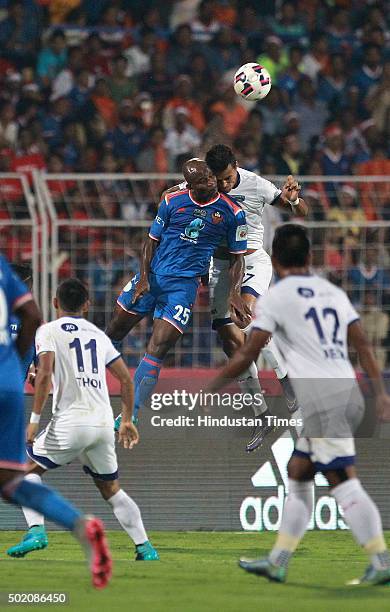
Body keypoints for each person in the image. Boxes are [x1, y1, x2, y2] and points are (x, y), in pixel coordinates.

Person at [207, 224, 390, 586]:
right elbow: (363, 346)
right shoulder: (331, 292)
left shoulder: (276, 297)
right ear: (309, 257)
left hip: (322, 401)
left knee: (343, 482)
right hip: (345, 391)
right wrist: (381, 393)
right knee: (298, 472)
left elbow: (249, 350)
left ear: (274, 259)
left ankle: (381, 560)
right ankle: (278, 561)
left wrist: (214, 385)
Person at [166, 145, 308, 452]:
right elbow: (169, 195)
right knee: (231, 341)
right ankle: (261, 414)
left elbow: (299, 209)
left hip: (253, 260)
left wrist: (294, 198)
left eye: (229, 178)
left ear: (237, 167)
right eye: (219, 180)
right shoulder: (206, 184)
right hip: (220, 268)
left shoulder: (256, 184)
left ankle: (289, 387)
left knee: (247, 321)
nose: (225, 185)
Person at [7, 278, 158, 562]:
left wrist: (35, 420)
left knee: (22, 472)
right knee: (111, 489)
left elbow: (44, 374)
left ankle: (37, 532)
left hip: (70, 423)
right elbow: (126, 380)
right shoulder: (99, 336)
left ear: (54, 303)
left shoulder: (47, 331)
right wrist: (126, 419)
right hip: (102, 425)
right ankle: (145, 547)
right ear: (87, 305)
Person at [106, 159, 251, 425]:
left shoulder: (232, 212)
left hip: (183, 288)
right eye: (204, 180)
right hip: (152, 278)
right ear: (191, 186)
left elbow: (237, 258)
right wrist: (143, 279)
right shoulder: (173, 202)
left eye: (211, 176)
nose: (211, 181)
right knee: (113, 331)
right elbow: (151, 243)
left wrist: (234, 293)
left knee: (158, 347)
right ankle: (94, 389)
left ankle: (131, 413)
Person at [0, 257, 112, 589]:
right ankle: (80, 525)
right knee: (11, 480)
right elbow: (32, 316)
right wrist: (14, 367)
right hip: (9, 385)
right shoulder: (4, 269)